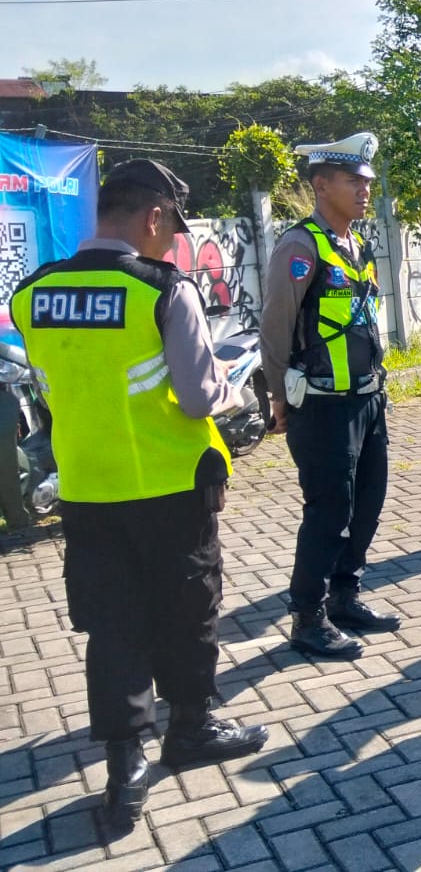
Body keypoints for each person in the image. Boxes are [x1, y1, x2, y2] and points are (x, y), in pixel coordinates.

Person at [10, 160, 268, 831]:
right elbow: (196, 395)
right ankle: (190, 728)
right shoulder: (161, 288)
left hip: (88, 489)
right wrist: (231, 389)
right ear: (154, 216)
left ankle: (124, 763)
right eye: (171, 228)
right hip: (170, 485)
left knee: (113, 623)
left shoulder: (32, 293)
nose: (172, 242)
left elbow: (51, 385)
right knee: (189, 610)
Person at [261, 132, 399, 660]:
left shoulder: (355, 244)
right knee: (328, 511)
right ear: (322, 185)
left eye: (367, 180)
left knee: (367, 502)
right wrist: (277, 396)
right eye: (353, 181)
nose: (365, 189)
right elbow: (275, 327)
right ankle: (307, 615)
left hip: (368, 398)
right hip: (321, 404)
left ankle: (346, 595)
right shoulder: (300, 247)